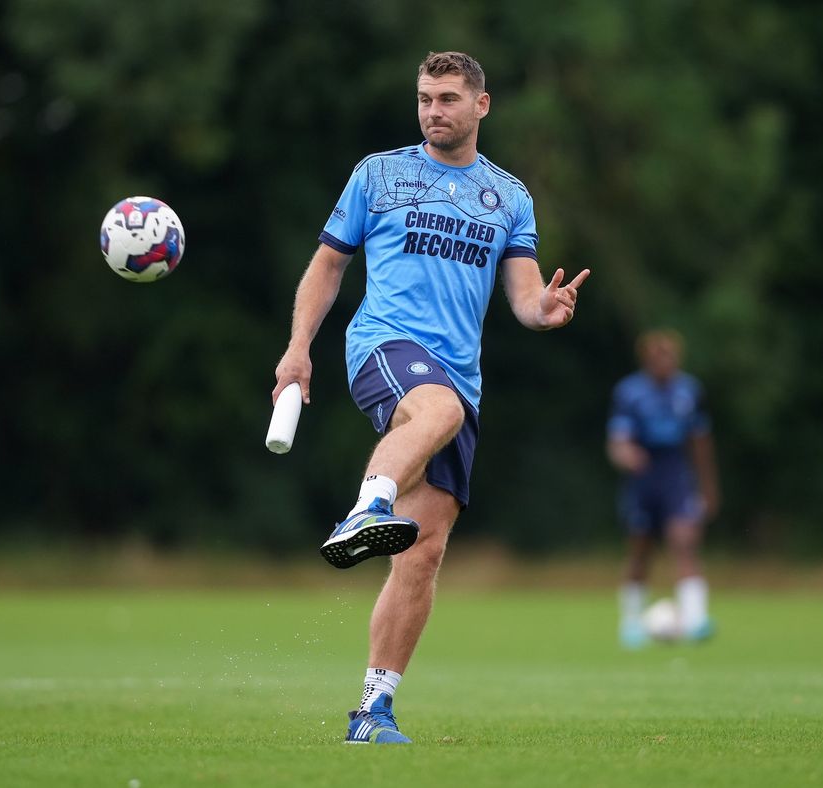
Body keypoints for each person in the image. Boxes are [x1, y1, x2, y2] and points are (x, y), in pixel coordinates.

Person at [272, 51, 589, 745]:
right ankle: (366, 508)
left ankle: (372, 711)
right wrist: (298, 349)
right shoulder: (377, 174)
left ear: (481, 105)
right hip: (383, 345)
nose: (432, 110)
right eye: (424, 98)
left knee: (422, 552)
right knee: (436, 410)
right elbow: (328, 265)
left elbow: (524, 297)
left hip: (458, 378)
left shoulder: (509, 197)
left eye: (447, 98)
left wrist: (545, 309)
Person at [606, 329, 720, 648]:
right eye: (658, 356)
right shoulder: (630, 392)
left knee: (684, 541)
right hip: (643, 473)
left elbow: (700, 441)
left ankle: (696, 620)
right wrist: (626, 454)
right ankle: (631, 623)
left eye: (669, 355)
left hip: (675, 472)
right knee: (640, 549)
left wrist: (708, 487)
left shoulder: (689, 391)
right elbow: (617, 440)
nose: (664, 362)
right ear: (646, 359)